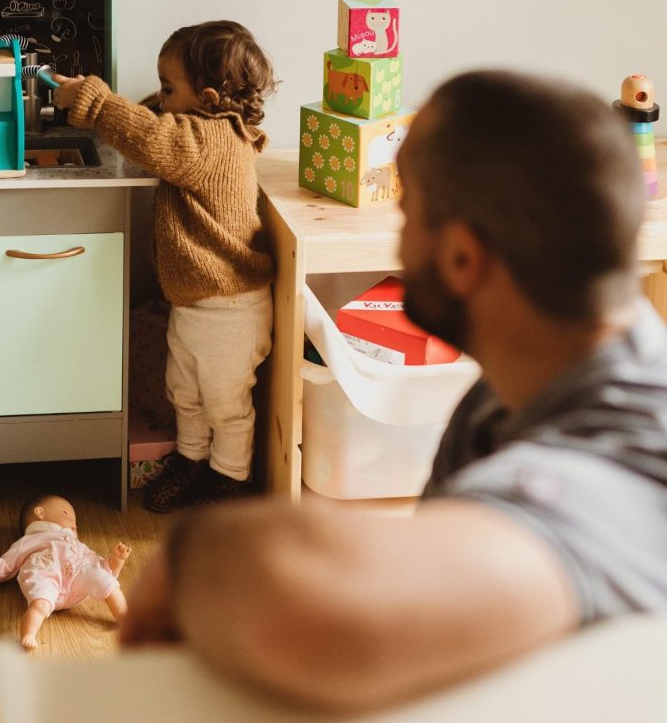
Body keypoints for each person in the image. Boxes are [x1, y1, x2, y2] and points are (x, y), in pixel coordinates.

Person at [117, 70, 667, 711]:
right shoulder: (507, 398)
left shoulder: (622, 462)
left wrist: (186, 557)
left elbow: (321, 621)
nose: (400, 237)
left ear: (462, 259)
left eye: (408, 213)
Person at [52, 20, 276, 512]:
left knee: (226, 405)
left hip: (230, 310)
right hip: (197, 304)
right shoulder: (204, 127)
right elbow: (156, 120)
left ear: (208, 99)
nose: (160, 97)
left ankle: (229, 479)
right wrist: (150, 100)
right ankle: (192, 461)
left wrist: (96, 100)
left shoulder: (211, 140)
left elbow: (154, 137)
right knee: (184, 393)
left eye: (169, 88)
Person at [0, 494, 131, 649]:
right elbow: (6, 565)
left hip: (78, 575)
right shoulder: (28, 541)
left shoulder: (75, 544)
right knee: (39, 604)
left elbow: (101, 570)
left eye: (75, 521)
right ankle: (28, 634)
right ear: (40, 513)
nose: (74, 523)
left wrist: (116, 560)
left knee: (106, 583)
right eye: (66, 513)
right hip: (47, 575)